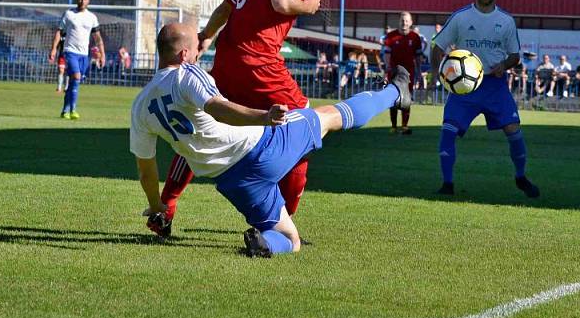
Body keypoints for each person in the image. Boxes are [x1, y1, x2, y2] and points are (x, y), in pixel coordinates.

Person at [131, 23, 412, 256]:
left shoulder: (140, 104)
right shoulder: (186, 73)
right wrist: (263, 116)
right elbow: (217, 107)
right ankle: (395, 93)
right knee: (328, 116)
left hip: (234, 182)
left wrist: (158, 207)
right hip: (262, 147)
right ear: (183, 54)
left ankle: (264, 244)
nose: (201, 50)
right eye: (196, 46)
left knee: (290, 240)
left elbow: (146, 170)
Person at [158, 0, 338, 235]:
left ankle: (165, 206)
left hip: (229, 57)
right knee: (303, 130)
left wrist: (205, 39)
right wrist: (309, 4)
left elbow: (227, 6)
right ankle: (278, 225)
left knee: (201, 126)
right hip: (260, 63)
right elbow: (283, 2)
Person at [429, 0, 539, 198]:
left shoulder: (506, 21)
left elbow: (514, 55)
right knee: (448, 132)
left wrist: (505, 65)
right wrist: (437, 73)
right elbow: (437, 47)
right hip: (463, 88)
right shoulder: (461, 17)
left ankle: (521, 177)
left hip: (494, 85)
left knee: (514, 131)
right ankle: (447, 185)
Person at [48, 0, 105, 119]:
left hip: (84, 55)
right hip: (70, 52)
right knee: (77, 77)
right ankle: (73, 110)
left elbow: (98, 38)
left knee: (75, 82)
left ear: (88, 1)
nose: (82, 1)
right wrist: (53, 49)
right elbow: (59, 32)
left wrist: (102, 54)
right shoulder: (68, 14)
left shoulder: (92, 18)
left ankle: (65, 110)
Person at [382, 11, 423, 135]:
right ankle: (394, 126)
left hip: (408, 74)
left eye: (406, 20)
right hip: (394, 73)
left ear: (411, 22)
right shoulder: (390, 36)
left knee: (406, 100)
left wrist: (419, 71)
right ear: (399, 22)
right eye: (402, 20)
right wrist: (388, 67)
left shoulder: (415, 37)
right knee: (393, 98)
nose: (404, 23)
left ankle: (404, 126)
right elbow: (387, 54)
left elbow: (418, 56)